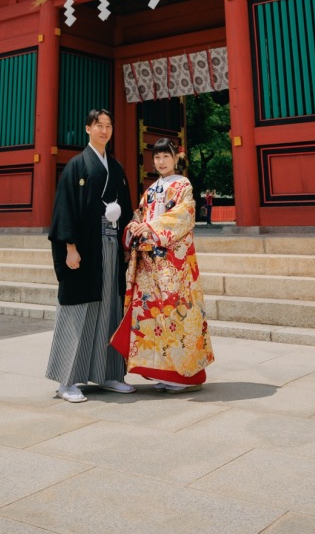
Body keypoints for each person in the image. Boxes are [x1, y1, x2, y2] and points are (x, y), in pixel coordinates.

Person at [110, 137, 214, 391]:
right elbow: (139, 214)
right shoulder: (151, 189)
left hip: (173, 264)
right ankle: (162, 372)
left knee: (177, 314)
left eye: (165, 156)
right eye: (156, 157)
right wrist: (135, 225)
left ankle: (185, 376)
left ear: (175, 157)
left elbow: (184, 216)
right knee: (152, 316)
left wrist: (151, 228)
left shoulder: (183, 185)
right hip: (149, 262)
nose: (161, 161)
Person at [46, 108, 135, 402]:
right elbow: (64, 208)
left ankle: (109, 373)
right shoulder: (76, 166)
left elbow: (127, 208)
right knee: (78, 310)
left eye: (109, 126)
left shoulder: (117, 168)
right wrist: (69, 247)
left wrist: (126, 240)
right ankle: (67, 380)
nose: (104, 131)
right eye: (99, 125)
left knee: (110, 308)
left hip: (110, 248)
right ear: (88, 128)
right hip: (85, 248)